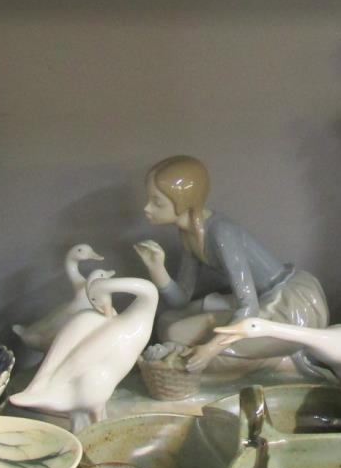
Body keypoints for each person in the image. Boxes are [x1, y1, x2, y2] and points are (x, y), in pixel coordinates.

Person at [133, 155, 328, 374]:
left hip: (286, 307)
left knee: (177, 334)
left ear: (183, 203)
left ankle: (280, 363)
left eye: (157, 202)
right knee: (167, 322)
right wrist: (157, 269)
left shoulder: (221, 233)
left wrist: (209, 349)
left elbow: (249, 306)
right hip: (258, 301)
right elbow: (181, 300)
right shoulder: (189, 234)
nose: (147, 208)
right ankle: (265, 359)